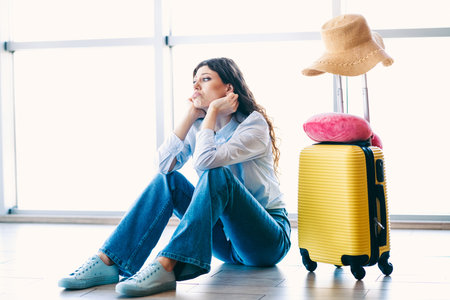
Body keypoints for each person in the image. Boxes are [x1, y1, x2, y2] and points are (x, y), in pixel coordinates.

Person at [58, 57, 291, 297]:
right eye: (194, 81)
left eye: (206, 79)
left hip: (265, 240)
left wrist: (210, 113)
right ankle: (109, 261)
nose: (196, 87)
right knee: (167, 181)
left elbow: (206, 162)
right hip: (223, 240)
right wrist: (190, 117)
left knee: (216, 175)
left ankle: (167, 265)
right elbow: (163, 166)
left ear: (228, 88)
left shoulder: (253, 125)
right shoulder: (200, 126)